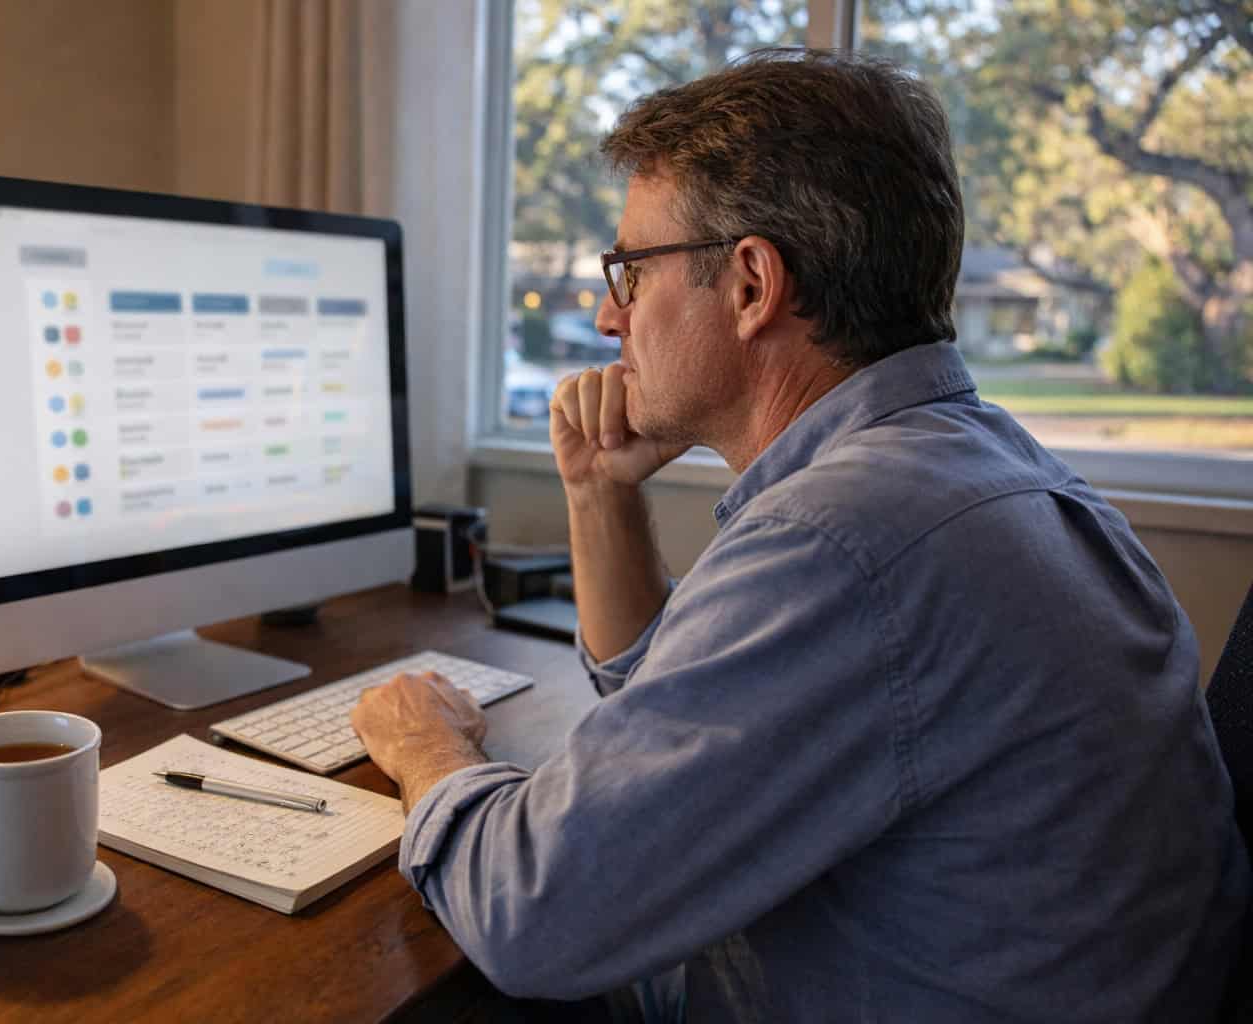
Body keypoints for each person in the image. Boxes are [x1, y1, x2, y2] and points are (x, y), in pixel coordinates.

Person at [351, 48, 1248, 1021]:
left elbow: (531, 915)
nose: (609, 315)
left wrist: (430, 747)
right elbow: (685, 723)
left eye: (629, 272)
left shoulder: (845, 541)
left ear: (750, 285)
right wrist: (599, 490)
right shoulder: (985, 469)